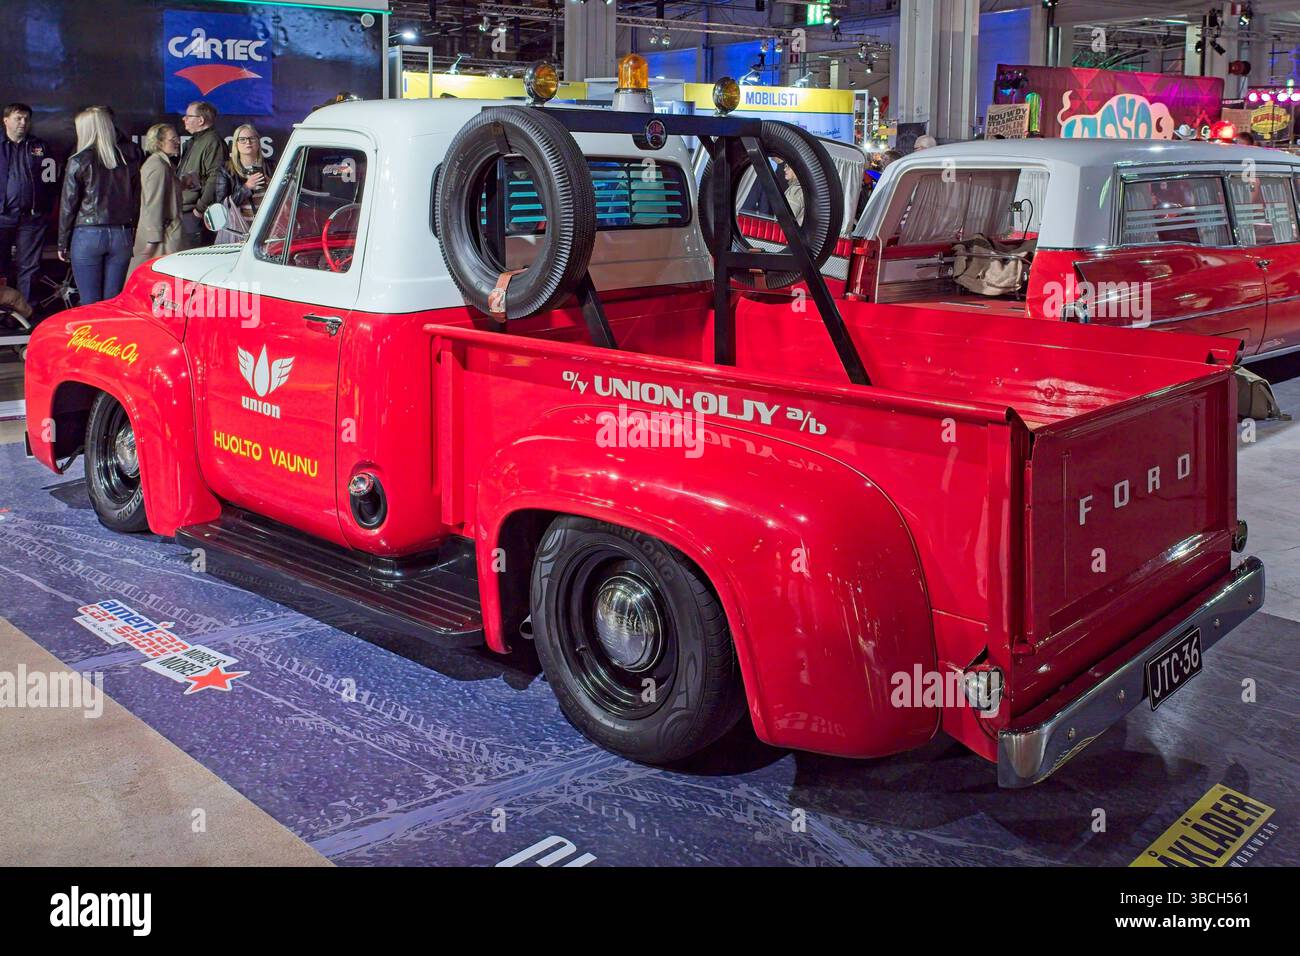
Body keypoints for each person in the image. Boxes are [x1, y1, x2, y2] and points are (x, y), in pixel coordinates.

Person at [58, 107, 138, 305]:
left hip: (88, 234)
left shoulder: (78, 160)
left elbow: (68, 206)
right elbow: (136, 200)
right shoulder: (128, 160)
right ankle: (112, 336)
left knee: (90, 302)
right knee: (113, 303)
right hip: (121, 235)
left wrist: (62, 242)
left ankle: (92, 336)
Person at [0, 103, 57, 307]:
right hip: (2, 217)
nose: (23, 123)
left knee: (29, 267)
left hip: (32, 219)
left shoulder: (40, 147)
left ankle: (26, 313)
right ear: (5, 120)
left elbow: (51, 181)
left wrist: (45, 209)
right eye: (18, 118)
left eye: (26, 119)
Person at [129, 123, 183, 273]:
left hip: (164, 235)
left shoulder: (164, 164)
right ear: (159, 143)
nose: (178, 142)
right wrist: (152, 240)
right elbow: (153, 205)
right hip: (161, 239)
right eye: (173, 139)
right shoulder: (158, 166)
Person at [213, 124, 275, 243]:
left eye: (252, 138)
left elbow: (286, 198)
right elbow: (221, 207)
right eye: (242, 139)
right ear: (236, 144)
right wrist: (247, 187)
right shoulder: (226, 169)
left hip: (268, 228)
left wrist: (272, 185)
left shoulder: (271, 166)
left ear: (258, 142)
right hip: (240, 231)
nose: (248, 142)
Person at [176, 100, 223, 250]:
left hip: (195, 216)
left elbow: (215, 179)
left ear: (201, 120)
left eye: (188, 116)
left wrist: (200, 210)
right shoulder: (192, 142)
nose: (184, 119)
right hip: (185, 212)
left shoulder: (213, 142)